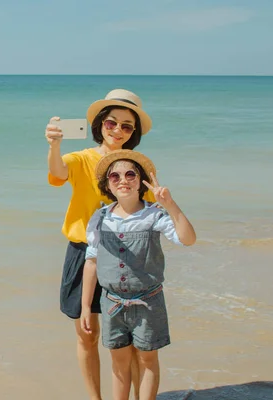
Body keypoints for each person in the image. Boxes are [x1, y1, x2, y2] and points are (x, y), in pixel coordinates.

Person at [45, 89, 155, 400]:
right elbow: (57, 172)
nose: (118, 131)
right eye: (111, 123)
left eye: (126, 126)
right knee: (87, 335)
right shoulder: (82, 159)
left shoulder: (137, 165)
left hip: (126, 255)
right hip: (83, 253)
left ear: (134, 134)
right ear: (99, 125)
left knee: (129, 342)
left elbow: (147, 214)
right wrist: (54, 145)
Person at [80, 150, 196, 400]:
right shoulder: (100, 218)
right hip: (111, 303)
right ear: (108, 184)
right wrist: (85, 307)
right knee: (119, 361)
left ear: (141, 181)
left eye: (130, 174)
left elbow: (188, 239)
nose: (123, 179)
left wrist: (169, 204)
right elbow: (91, 264)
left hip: (149, 301)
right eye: (115, 176)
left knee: (147, 359)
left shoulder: (154, 215)